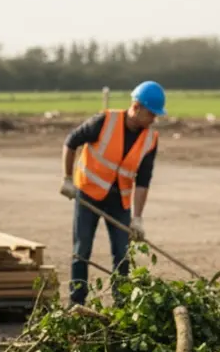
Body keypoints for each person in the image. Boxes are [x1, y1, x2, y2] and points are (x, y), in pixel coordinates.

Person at [60, 80, 164, 304]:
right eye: (151, 114)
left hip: (120, 203)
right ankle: (76, 304)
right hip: (88, 194)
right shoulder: (104, 121)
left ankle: (122, 304)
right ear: (136, 107)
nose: (154, 119)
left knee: (122, 255)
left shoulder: (150, 139)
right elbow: (71, 142)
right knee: (82, 250)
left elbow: (143, 181)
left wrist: (137, 218)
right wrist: (67, 179)